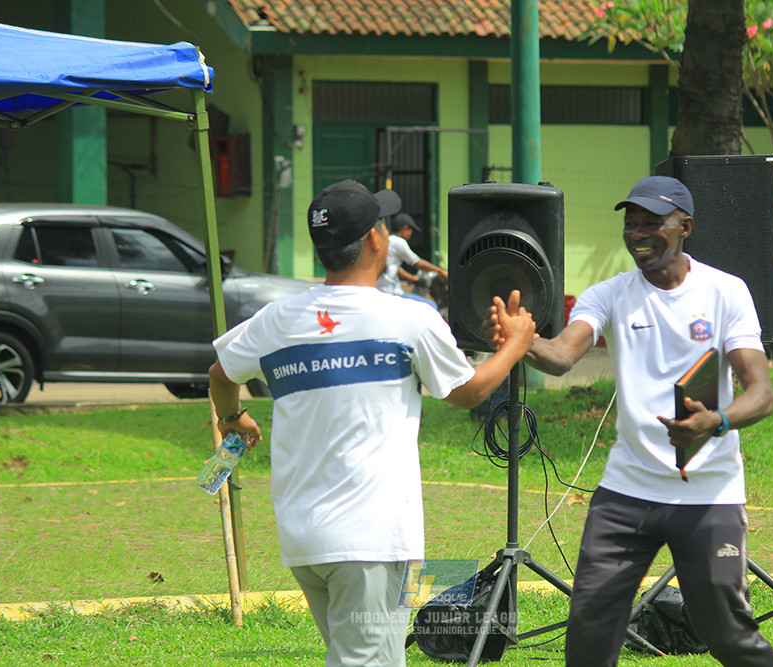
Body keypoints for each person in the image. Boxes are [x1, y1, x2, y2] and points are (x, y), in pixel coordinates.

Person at [208, 179, 537, 667]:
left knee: (359, 655)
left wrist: (234, 418)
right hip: (374, 541)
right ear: (376, 240)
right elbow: (469, 390)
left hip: (305, 542)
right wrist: (516, 342)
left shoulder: (276, 319)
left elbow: (219, 373)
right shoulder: (409, 318)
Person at [487, 175, 773, 667]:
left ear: (684, 226)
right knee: (590, 627)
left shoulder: (726, 292)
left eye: (652, 223)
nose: (638, 233)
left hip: (707, 493)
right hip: (627, 492)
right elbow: (561, 356)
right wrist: (523, 342)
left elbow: (762, 393)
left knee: (723, 628)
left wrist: (716, 421)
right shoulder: (608, 295)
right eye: (631, 223)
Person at [377, 211, 448, 303]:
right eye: (411, 230)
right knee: (431, 305)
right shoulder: (399, 242)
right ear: (405, 228)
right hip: (393, 292)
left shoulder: (387, 240)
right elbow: (416, 262)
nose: (410, 234)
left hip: (382, 290)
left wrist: (413, 278)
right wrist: (439, 270)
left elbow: (395, 268)